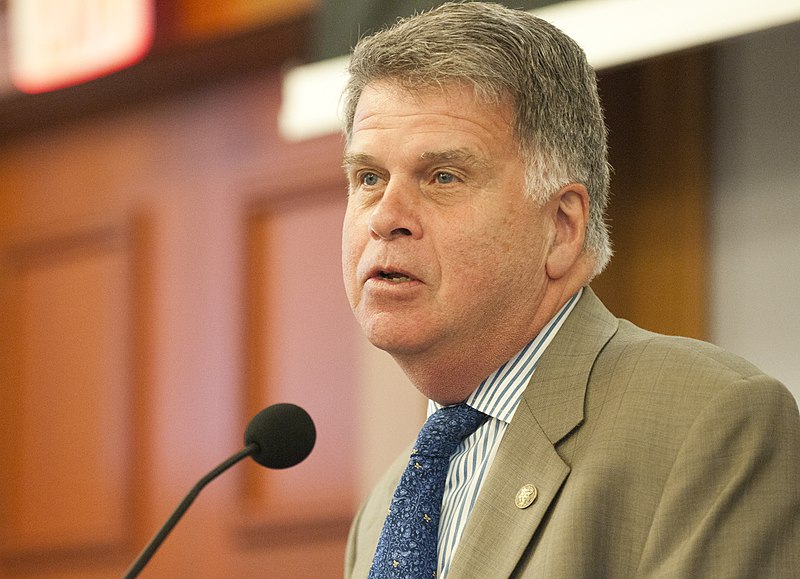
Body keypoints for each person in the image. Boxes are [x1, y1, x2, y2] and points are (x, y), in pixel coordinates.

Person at [339, 2, 800, 577]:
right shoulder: (383, 511)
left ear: (561, 228)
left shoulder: (713, 426)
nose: (386, 217)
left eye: (443, 177)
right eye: (368, 178)